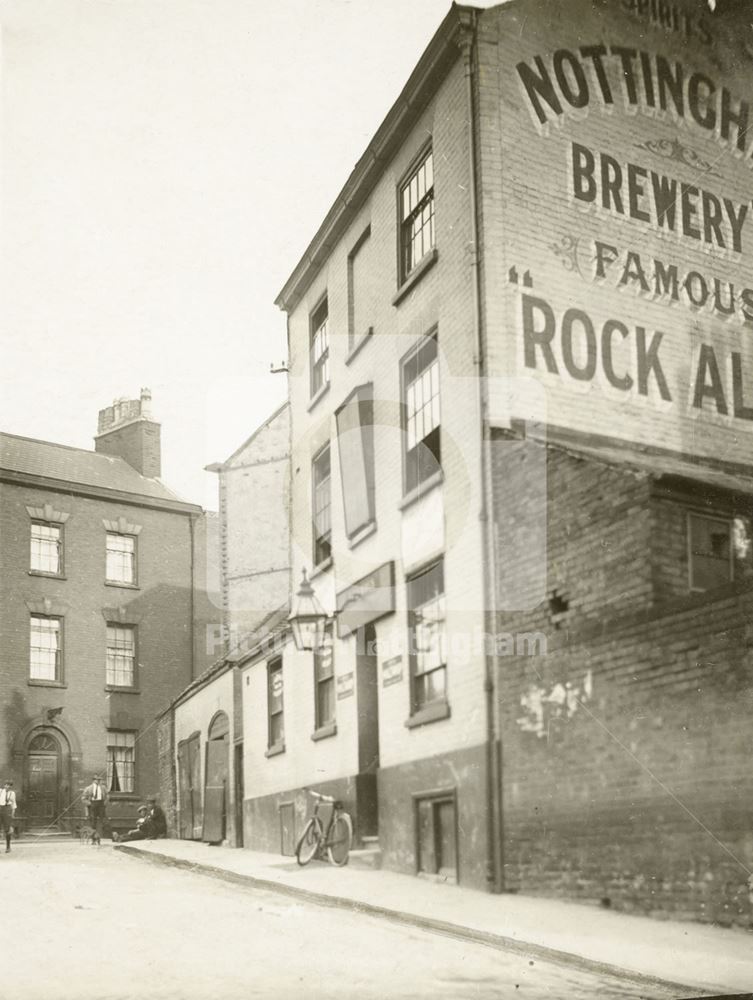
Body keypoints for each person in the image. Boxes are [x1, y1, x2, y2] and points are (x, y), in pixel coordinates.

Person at [82, 775, 108, 845]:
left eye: (100, 780)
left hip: (101, 804)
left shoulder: (103, 788)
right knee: (93, 822)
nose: (99, 781)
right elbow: (83, 798)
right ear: (93, 780)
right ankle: (93, 839)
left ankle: (102, 838)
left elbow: (107, 796)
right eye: (97, 780)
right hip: (92, 804)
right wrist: (90, 804)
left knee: (103, 820)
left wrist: (104, 804)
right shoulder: (88, 788)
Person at [0, 781, 17, 854]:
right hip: (0, 808)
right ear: (4, 785)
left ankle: (8, 847)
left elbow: (13, 803)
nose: (7, 786)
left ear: (10, 786)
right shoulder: (0, 791)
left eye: (9, 785)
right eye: (6, 785)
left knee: (7, 829)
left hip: (7, 810)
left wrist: (13, 813)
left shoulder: (12, 793)